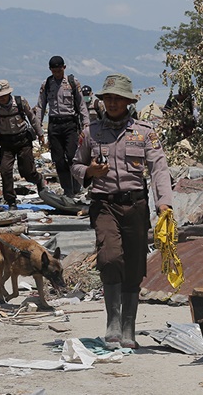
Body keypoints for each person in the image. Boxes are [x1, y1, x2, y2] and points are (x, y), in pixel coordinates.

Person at [70, 73, 173, 349]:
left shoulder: (145, 132)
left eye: (118, 98)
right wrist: (90, 171)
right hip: (104, 204)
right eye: (108, 98)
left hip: (136, 205)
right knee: (110, 257)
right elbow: (75, 166)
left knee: (134, 266)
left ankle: (129, 327)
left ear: (128, 101)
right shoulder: (91, 133)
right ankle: (112, 321)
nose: (113, 103)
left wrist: (164, 203)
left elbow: (159, 169)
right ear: (102, 101)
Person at [0, 79, 46, 210]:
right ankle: (11, 201)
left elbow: (32, 118)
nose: (1, 99)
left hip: (23, 141)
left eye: (3, 95)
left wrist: (41, 134)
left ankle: (38, 180)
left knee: (27, 172)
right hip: (6, 142)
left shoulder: (20, 102)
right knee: (5, 170)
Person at [35, 55, 90, 198]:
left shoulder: (72, 82)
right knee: (59, 160)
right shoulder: (46, 84)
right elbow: (41, 106)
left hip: (70, 124)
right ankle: (67, 191)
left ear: (64, 68)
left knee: (72, 157)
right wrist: (38, 128)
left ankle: (77, 185)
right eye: (54, 71)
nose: (57, 74)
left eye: (59, 70)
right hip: (54, 124)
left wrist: (86, 124)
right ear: (50, 70)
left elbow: (81, 104)